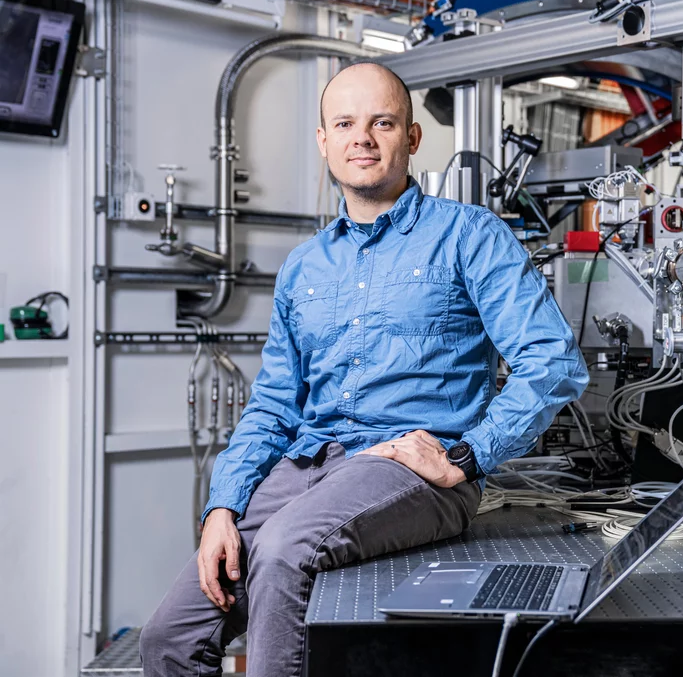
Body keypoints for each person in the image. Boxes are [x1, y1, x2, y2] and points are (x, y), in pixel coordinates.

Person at [138, 62, 588, 677]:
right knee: (169, 638)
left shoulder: (469, 236)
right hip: (307, 467)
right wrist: (223, 505)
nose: (363, 138)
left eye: (382, 122)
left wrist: (469, 455)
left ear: (412, 138)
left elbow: (552, 359)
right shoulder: (304, 267)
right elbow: (273, 404)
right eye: (345, 123)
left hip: (411, 469)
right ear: (324, 141)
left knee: (284, 550)